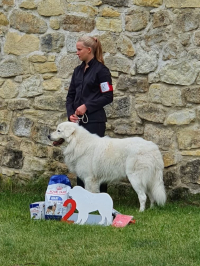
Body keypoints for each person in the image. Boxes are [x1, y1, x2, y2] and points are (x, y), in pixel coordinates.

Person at [66, 35, 113, 193]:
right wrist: (71, 114)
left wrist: (87, 106)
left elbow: (108, 96)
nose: (77, 53)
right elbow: (70, 96)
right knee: (80, 158)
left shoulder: (102, 71)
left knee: (97, 160)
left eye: (79, 50)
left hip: (95, 122)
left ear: (88, 50)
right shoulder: (77, 71)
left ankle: (101, 196)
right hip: (78, 124)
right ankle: (82, 194)